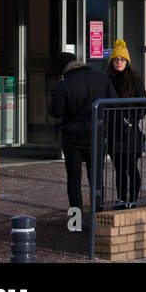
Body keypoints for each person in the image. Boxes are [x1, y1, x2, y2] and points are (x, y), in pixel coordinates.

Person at [48, 51, 115, 212]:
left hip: (72, 138)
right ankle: (97, 218)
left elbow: (56, 112)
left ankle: (76, 221)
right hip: (96, 134)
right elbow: (114, 103)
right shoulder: (101, 78)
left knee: (73, 179)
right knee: (96, 178)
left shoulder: (64, 84)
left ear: (63, 69)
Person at [105, 40, 146, 207]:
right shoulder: (108, 79)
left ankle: (133, 200)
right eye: (116, 59)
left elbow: (144, 105)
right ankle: (122, 199)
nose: (119, 62)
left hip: (129, 131)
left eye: (122, 59)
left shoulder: (134, 78)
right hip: (114, 130)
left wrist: (131, 119)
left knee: (130, 167)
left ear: (127, 61)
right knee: (119, 169)